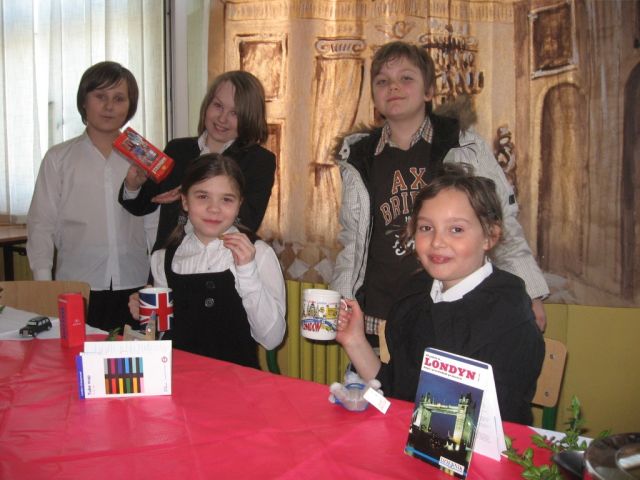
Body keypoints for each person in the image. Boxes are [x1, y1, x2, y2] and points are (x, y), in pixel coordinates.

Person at [330, 42, 550, 343]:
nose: (393, 86)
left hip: (448, 312)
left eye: (406, 78)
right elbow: (351, 242)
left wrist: (530, 292)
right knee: (371, 375)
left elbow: (501, 222)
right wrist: (342, 299)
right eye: (382, 81)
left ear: (429, 91)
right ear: (374, 96)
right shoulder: (358, 158)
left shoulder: (464, 146)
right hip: (376, 315)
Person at [336, 164, 544, 424]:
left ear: (490, 236)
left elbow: (491, 427)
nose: (437, 242)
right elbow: (396, 392)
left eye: (456, 229)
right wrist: (354, 341)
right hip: (416, 436)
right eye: (426, 228)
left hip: (477, 446)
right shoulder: (414, 297)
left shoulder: (509, 319)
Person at [26, 61, 154, 332]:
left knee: (132, 357)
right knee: (76, 355)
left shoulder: (144, 157)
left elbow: (153, 223)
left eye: (119, 98)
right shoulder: (58, 158)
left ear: (130, 106)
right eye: (100, 96)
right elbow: (41, 224)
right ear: (84, 102)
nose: (109, 106)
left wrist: (158, 280)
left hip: (135, 285)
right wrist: (44, 284)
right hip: (77, 286)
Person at [129, 153, 286, 368]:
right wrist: (148, 317)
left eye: (226, 199)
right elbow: (161, 335)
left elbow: (272, 338)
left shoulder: (258, 254)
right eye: (202, 196)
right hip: (179, 377)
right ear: (185, 201)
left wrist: (247, 271)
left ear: (239, 204)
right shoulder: (163, 258)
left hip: (236, 380)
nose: (214, 208)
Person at [119, 70, 275, 252]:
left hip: (221, 261)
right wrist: (133, 186)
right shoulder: (177, 149)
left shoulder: (259, 161)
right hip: (168, 261)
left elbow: (248, 223)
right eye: (218, 106)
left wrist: (192, 193)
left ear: (249, 118)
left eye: (235, 113)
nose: (222, 118)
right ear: (207, 105)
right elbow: (142, 206)